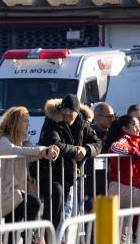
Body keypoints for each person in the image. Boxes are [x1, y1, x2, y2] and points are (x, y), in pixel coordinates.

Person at [36, 94, 102, 227]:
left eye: (71, 110)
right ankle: (49, 238)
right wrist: (77, 151)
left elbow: (98, 143)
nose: (66, 112)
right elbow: (54, 144)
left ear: (77, 112)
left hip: (70, 175)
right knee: (55, 201)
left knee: (68, 214)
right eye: (64, 108)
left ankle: (64, 243)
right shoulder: (51, 121)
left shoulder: (83, 123)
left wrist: (86, 150)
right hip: (49, 172)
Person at [0, 107, 57, 224]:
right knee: (33, 204)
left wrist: (48, 150)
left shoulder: (22, 140)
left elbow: (32, 151)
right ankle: (28, 238)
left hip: (18, 193)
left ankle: (28, 238)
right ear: (15, 123)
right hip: (5, 194)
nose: (28, 124)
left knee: (17, 223)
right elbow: (16, 150)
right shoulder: (1, 141)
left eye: (28, 121)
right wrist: (43, 151)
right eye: (25, 121)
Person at [103, 115, 140, 212]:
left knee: (122, 226)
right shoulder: (124, 139)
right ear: (125, 128)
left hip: (127, 188)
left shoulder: (136, 140)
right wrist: (131, 151)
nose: (139, 128)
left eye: (139, 125)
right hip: (121, 187)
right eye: (135, 125)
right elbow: (114, 148)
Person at [84, 102, 116, 206]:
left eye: (113, 116)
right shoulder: (89, 132)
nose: (112, 119)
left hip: (108, 183)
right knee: (90, 217)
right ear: (97, 117)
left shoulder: (114, 132)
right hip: (91, 183)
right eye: (109, 116)